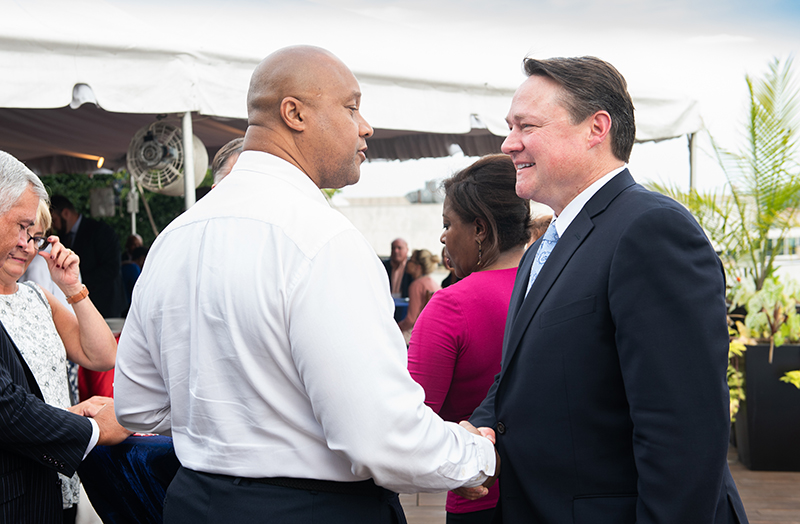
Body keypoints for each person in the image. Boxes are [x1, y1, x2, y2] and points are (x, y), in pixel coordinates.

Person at [114, 45, 497, 524]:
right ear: (293, 113)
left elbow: (138, 405)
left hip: (196, 501)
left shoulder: (173, 238)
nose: (366, 126)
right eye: (351, 107)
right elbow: (380, 437)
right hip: (312, 508)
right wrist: (475, 456)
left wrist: (242, 422)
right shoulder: (322, 240)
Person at [467, 57, 749, 523]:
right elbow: (522, 374)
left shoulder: (650, 229)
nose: (508, 143)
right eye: (509, 127)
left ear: (596, 128)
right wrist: (481, 426)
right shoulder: (544, 248)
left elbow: (684, 430)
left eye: (526, 126)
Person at [0, 150, 130, 524]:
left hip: (58, 477)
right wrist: (93, 428)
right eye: (22, 228)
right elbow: (10, 408)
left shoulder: (39, 298)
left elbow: (103, 355)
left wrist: (73, 288)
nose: (28, 244)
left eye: (36, 236)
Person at [408, 154, 531, 524]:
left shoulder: (452, 305)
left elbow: (414, 419)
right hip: (542, 494)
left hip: (478, 496)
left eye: (448, 223)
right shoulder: (550, 287)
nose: (443, 236)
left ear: (479, 228)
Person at [49, 195, 125, 318]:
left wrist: (77, 280)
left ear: (66, 213)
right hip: (76, 305)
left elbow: (111, 268)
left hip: (105, 304)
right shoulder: (61, 238)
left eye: (54, 220)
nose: (53, 226)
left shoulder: (100, 231)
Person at [397, 248, 440, 342]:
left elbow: (411, 320)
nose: (407, 262)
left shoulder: (416, 285)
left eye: (411, 260)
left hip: (419, 335)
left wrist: (396, 327)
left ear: (418, 267)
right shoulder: (434, 283)